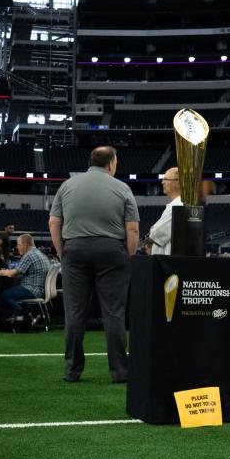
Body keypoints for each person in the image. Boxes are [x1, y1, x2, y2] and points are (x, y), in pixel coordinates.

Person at [49, 146, 139, 384]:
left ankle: (72, 371)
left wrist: (62, 252)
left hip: (75, 251)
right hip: (112, 252)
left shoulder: (67, 186)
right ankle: (120, 372)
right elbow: (133, 229)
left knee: (75, 313)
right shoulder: (122, 188)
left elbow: (54, 222)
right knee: (113, 314)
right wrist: (128, 257)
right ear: (110, 163)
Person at [0, 233, 50, 318]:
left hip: (32, 290)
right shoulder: (40, 254)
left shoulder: (29, 255)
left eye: (18, 244)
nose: (17, 247)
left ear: (25, 244)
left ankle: (25, 316)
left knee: (4, 296)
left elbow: (12, 274)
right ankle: (29, 314)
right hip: (38, 290)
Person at [146, 167, 183, 255]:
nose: (162, 182)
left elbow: (156, 233)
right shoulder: (176, 204)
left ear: (178, 182)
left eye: (166, 179)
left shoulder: (178, 205)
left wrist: (152, 230)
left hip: (168, 262)